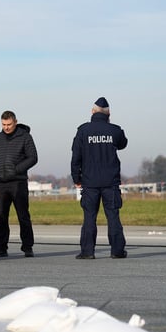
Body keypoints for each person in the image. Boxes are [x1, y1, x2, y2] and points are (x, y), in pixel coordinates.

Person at [70, 97, 128, 259]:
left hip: (89, 182)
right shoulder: (115, 130)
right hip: (111, 182)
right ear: (108, 113)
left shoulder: (83, 131)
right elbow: (123, 143)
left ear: (92, 112)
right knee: (113, 216)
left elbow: (76, 157)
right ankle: (117, 251)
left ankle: (87, 251)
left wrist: (76, 178)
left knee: (89, 217)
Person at [0, 110, 38, 258]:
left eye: (9, 124)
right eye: (4, 124)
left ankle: (27, 247)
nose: (6, 127)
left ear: (15, 122)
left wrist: (17, 170)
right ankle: (1, 247)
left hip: (18, 183)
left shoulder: (25, 137)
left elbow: (33, 157)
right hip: (1, 183)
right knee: (1, 217)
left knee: (23, 216)